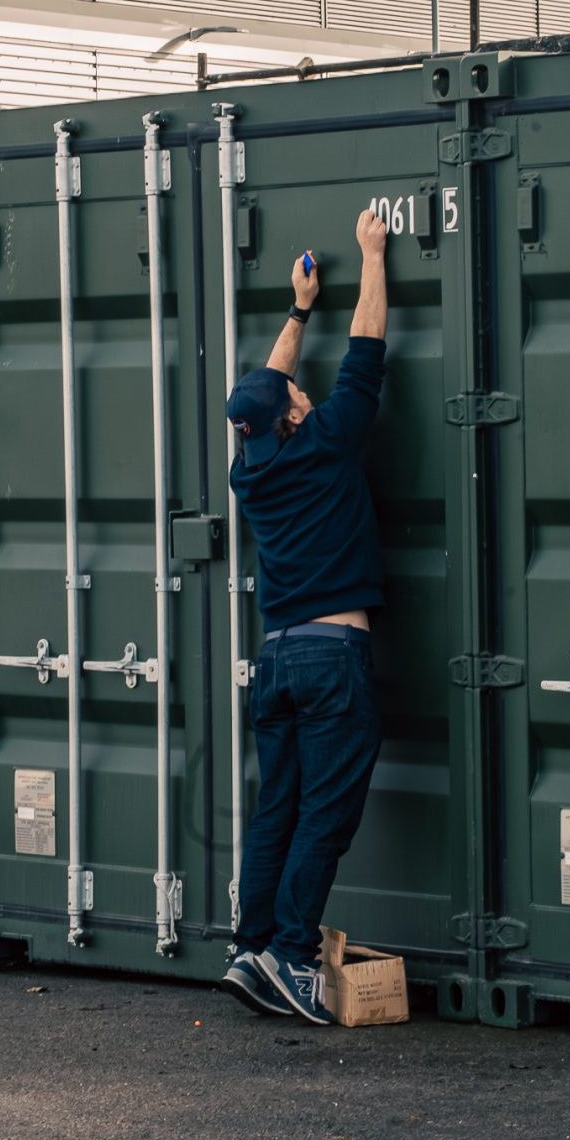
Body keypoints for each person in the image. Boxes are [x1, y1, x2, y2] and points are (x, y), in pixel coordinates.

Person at [218, 208, 390, 1026]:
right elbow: (366, 350)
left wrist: (297, 308)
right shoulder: (325, 440)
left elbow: (262, 388)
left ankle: (251, 946)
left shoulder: (249, 469)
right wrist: (370, 255)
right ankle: (290, 957)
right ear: (292, 413)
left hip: (276, 660)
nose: (298, 384)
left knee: (276, 811)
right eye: (293, 390)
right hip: (330, 659)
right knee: (324, 812)